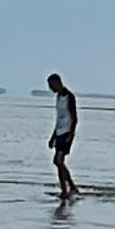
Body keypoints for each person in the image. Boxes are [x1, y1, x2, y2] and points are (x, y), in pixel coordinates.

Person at [46, 71, 79, 200]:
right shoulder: (58, 97)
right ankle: (71, 186)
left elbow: (74, 117)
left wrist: (71, 134)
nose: (50, 89)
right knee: (59, 162)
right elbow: (59, 118)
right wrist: (53, 136)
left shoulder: (69, 96)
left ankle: (65, 190)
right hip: (59, 132)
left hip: (67, 132)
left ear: (58, 83)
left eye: (51, 85)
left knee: (58, 161)